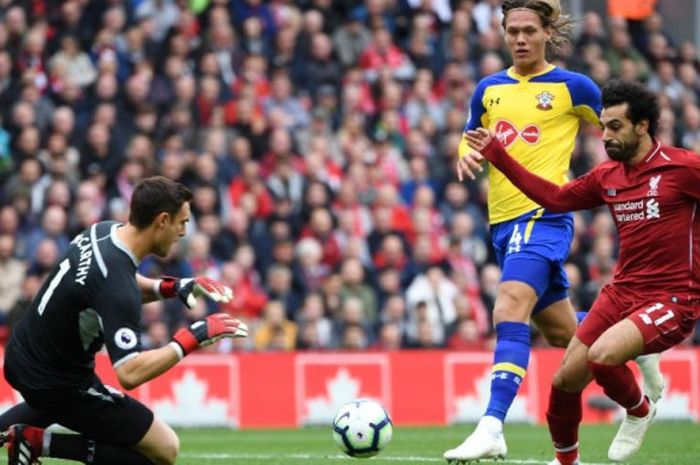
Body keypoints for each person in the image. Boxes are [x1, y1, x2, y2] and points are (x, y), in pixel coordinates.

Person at [443, 1, 662, 462]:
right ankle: (633, 344)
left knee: (509, 307)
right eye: (512, 31)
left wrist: (637, 175)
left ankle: (492, 425)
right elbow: (471, 132)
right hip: (502, 225)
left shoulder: (571, 87)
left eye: (528, 30)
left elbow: (618, 125)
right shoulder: (488, 89)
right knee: (566, 335)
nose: (520, 39)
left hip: (543, 216)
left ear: (547, 34)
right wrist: (465, 151)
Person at [461, 79, 700, 465]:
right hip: (621, 293)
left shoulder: (684, 167)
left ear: (642, 126)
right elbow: (554, 198)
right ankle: (567, 462)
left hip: (673, 297)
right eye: (603, 126)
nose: (605, 135)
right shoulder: (608, 177)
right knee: (564, 381)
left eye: (616, 127)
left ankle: (639, 409)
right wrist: (498, 155)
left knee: (603, 357)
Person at [0, 176, 248, 465]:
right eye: (182, 222)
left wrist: (169, 287)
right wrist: (194, 336)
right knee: (164, 450)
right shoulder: (117, 285)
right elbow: (130, 373)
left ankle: (21, 435)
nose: (184, 232)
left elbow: (114, 285)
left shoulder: (103, 231)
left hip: (24, 356)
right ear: (163, 220)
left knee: (51, 405)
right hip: (60, 382)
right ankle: (38, 441)